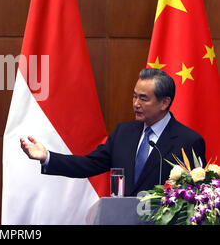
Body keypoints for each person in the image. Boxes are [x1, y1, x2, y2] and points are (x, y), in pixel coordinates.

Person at [20, 68, 206, 196]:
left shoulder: (188, 141)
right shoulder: (124, 133)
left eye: (143, 99)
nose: (135, 104)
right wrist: (47, 157)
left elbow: (195, 197)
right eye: (134, 96)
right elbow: (89, 164)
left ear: (164, 102)